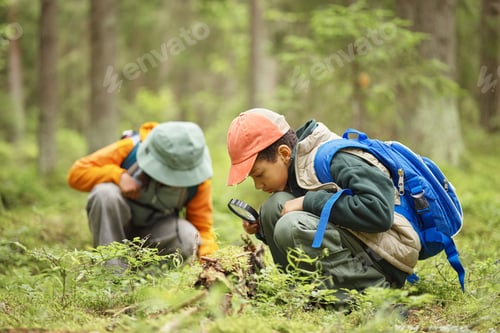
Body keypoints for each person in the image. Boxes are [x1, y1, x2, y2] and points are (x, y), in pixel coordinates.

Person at [226, 108, 421, 298]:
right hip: (358, 247)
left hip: (384, 257)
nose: (258, 185)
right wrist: (261, 229)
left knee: (290, 225)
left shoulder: (334, 158)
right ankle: (302, 296)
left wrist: (309, 201)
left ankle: (376, 296)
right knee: (273, 208)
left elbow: (380, 212)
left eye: (259, 175)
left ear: (284, 153)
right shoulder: (296, 168)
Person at [68, 121, 218, 263]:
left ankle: (147, 283)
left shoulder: (198, 182)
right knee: (105, 194)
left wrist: (210, 263)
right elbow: (77, 173)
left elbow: (203, 228)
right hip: (118, 227)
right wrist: (118, 176)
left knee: (189, 236)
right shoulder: (130, 148)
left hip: (157, 235)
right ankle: (112, 277)